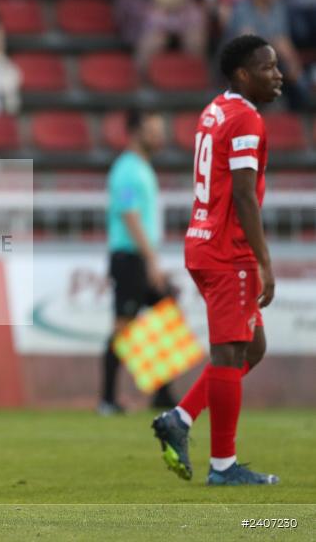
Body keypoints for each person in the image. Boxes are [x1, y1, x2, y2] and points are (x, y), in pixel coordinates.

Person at [152, 34, 281, 486]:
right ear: (244, 74)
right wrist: (265, 261)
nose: (278, 75)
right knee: (229, 353)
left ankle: (181, 418)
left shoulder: (215, 109)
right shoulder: (246, 119)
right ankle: (223, 466)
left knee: (252, 348)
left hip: (202, 240)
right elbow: (244, 195)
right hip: (229, 251)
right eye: (267, 68)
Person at [99, 108, 176, 416]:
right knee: (122, 327)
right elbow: (129, 215)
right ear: (135, 132)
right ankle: (107, 400)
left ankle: (161, 392)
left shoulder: (140, 167)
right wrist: (151, 259)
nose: (160, 136)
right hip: (130, 258)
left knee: (164, 310)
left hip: (138, 257)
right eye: (152, 129)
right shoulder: (128, 170)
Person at [225, 0, 309, 108]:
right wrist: (275, 44)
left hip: (271, 60)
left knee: (297, 78)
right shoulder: (242, 8)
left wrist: (293, 63)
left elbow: (283, 39)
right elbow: (248, 44)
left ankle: (298, 115)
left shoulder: (278, 7)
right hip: (240, 64)